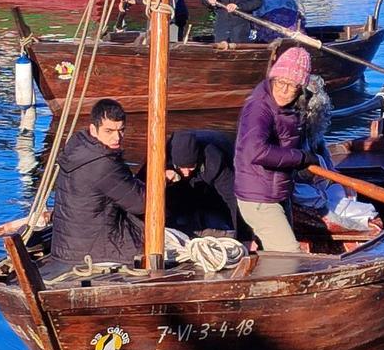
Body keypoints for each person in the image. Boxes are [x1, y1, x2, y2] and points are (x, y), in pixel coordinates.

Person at [233, 46, 318, 252]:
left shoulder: (293, 106)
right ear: (273, 78)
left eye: (292, 86)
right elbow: (256, 151)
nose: (284, 90)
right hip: (258, 196)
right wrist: (300, 158)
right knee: (289, 255)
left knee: (274, 253)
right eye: (280, 82)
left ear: (301, 88)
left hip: (278, 191)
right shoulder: (259, 108)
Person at [50, 98, 145, 265]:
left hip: (65, 247)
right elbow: (141, 204)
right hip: (93, 252)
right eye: (109, 131)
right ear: (93, 129)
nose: (117, 137)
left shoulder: (77, 145)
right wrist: (163, 182)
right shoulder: (103, 164)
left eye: (121, 130)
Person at [164, 129, 242, 239]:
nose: (186, 173)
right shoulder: (162, 157)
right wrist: (164, 180)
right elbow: (141, 189)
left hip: (214, 182)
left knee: (219, 213)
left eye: (191, 167)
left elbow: (233, 198)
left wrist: (244, 237)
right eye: (181, 167)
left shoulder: (215, 161)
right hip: (182, 187)